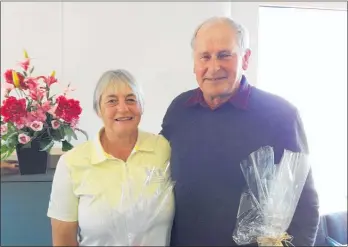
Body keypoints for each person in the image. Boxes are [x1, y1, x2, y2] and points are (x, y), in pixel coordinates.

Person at [160, 17, 320, 246]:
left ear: (245, 59)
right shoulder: (179, 109)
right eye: (205, 56)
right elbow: (154, 173)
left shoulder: (280, 115)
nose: (213, 67)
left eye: (225, 55)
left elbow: (305, 205)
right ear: (194, 63)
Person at [47, 69, 174, 246]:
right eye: (112, 101)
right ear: (98, 109)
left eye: (131, 99)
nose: (123, 108)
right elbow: (63, 239)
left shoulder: (163, 149)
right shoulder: (72, 163)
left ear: (141, 106)